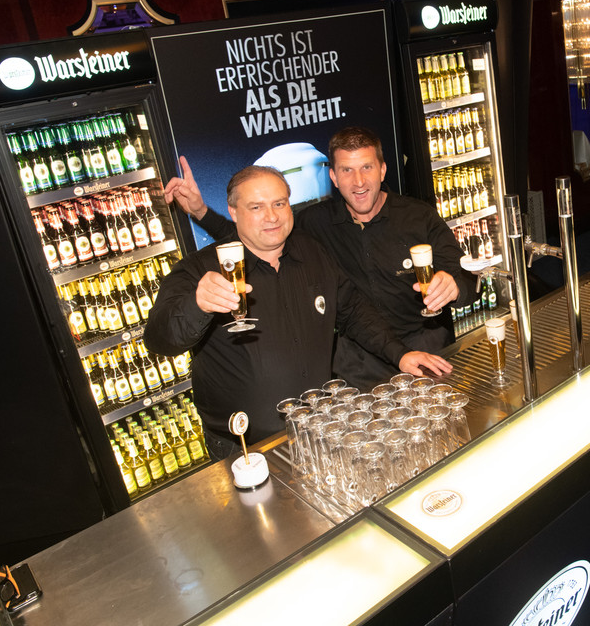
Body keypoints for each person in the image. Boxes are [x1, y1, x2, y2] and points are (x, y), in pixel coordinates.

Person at [146, 165, 452, 459]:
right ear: (234, 212)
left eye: (279, 203)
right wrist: (197, 305)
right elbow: (159, 340)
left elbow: (353, 311)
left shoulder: (312, 252)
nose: (271, 216)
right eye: (256, 207)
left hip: (320, 428)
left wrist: (399, 354)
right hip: (244, 448)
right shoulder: (199, 269)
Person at [165, 127, 475, 390]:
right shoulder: (314, 222)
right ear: (333, 177)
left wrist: (455, 286)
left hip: (427, 358)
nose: (358, 181)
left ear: (382, 170)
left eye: (367, 168)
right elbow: (259, 235)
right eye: (347, 171)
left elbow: (468, 278)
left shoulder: (419, 216)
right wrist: (201, 212)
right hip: (358, 373)